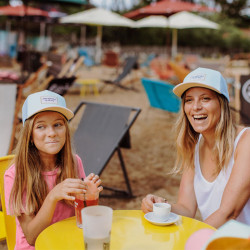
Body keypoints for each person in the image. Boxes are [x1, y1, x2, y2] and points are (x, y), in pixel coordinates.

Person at [141, 67, 250, 228]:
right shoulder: (195, 146)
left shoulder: (245, 142)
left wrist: (193, 241)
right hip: (217, 240)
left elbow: (228, 213)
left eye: (205, 99)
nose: (196, 107)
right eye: (189, 100)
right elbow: (186, 208)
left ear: (222, 103)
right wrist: (161, 206)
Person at [4, 90, 103, 249]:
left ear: (65, 129)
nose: (51, 133)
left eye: (57, 124)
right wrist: (53, 196)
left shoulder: (74, 162)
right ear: (29, 134)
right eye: (41, 126)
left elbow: (84, 222)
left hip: (68, 244)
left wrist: (89, 197)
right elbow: (31, 237)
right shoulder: (16, 175)